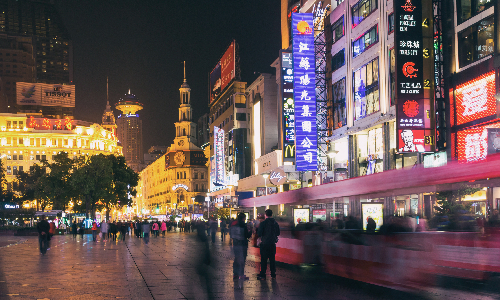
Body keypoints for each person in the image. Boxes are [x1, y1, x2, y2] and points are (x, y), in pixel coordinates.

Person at [257, 209, 280, 280]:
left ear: (265, 215)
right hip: (272, 244)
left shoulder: (263, 223)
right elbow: (278, 233)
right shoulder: (275, 223)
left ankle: (263, 275)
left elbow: (259, 233)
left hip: (264, 244)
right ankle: (273, 275)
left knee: (263, 260)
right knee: (272, 259)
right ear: (272, 214)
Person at [231, 213, 251, 282]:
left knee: (236, 259)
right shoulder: (244, 225)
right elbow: (247, 236)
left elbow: (231, 235)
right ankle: (241, 275)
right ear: (243, 218)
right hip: (242, 244)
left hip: (235, 244)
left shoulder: (234, 225)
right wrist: (250, 231)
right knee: (242, 259)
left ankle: (235, 274)